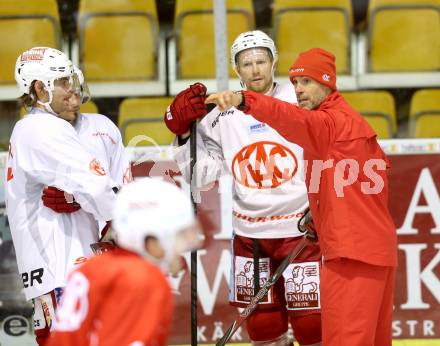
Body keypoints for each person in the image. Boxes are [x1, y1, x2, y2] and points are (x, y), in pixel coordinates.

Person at [205, 48, 398, 346]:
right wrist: (320, 215)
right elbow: (369, 180)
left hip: (350, 254)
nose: (298, 90)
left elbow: (289, 118)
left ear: (327, 82)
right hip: (376, 250)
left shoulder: (329, 123)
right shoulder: (354, 122)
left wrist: (245, 100)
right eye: (294, 83)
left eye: (306, 82)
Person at [165, 31, 322, 346]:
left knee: (312, 324)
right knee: (263, 325)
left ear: (273, 61)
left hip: (301, 229)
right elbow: (201, 176)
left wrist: (323, 206)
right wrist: (184, 136)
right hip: (251, 234)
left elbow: (326, 149)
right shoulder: (222, 113)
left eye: (261, 60)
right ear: (236, 70)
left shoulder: (299, 100)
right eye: (246, 63)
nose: (255, 70)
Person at [5, 47, 118, 345]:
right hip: (62, 269)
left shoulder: (33, 128)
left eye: (72, 81)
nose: (74, 92)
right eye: (63, 84)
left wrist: (75, 197)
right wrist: (120, 222)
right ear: (39, 89)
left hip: (58, 271)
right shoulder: (41, 129)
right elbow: (96, 186)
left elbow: (85, 188)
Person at [47, 177, 203, 345]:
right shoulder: (143, 278)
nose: (180, 247)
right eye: (176, 235)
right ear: (149, 236)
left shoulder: (92, 267)